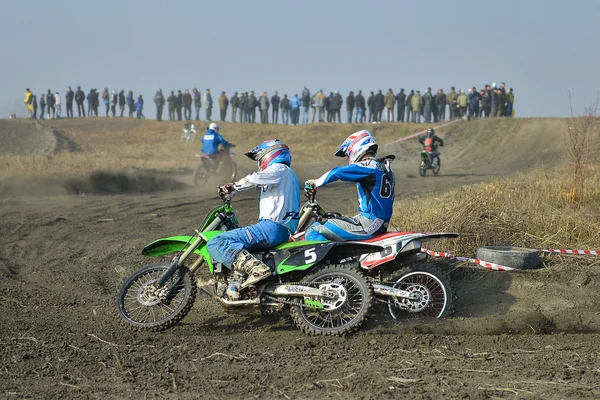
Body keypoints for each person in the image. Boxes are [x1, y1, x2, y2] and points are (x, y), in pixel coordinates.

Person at [206, 139, 300, 289]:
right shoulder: (287, 176)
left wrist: (233, 186)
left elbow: (256, 178)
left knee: (216, 242)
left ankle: (257, 269)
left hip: (271, 228)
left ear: (269, 154)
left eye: (259, 158)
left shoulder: (279, 169)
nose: (259, 162)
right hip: (281, 230)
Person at [304, 130, 394, 242]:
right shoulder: (381, 167)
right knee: (335, 219)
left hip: (370, 223)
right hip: (377, 222)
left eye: (348, 154)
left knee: (315, 229)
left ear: (355, 147)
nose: (348, 157)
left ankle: (323, 259)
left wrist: (315, 182)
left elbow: (337, 172)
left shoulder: (369, 166)